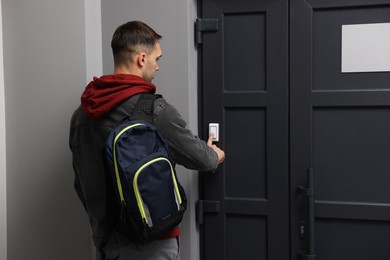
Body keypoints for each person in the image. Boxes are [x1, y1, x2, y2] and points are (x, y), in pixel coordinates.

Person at [69, 20, 225, 260]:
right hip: (153, 242)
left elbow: (81, 182)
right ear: (142, 59)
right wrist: (215, 153)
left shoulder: (81, 115)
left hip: (108, 242)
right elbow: (202, 160)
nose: (158, 66)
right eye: (157, 58)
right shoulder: (153, 109)